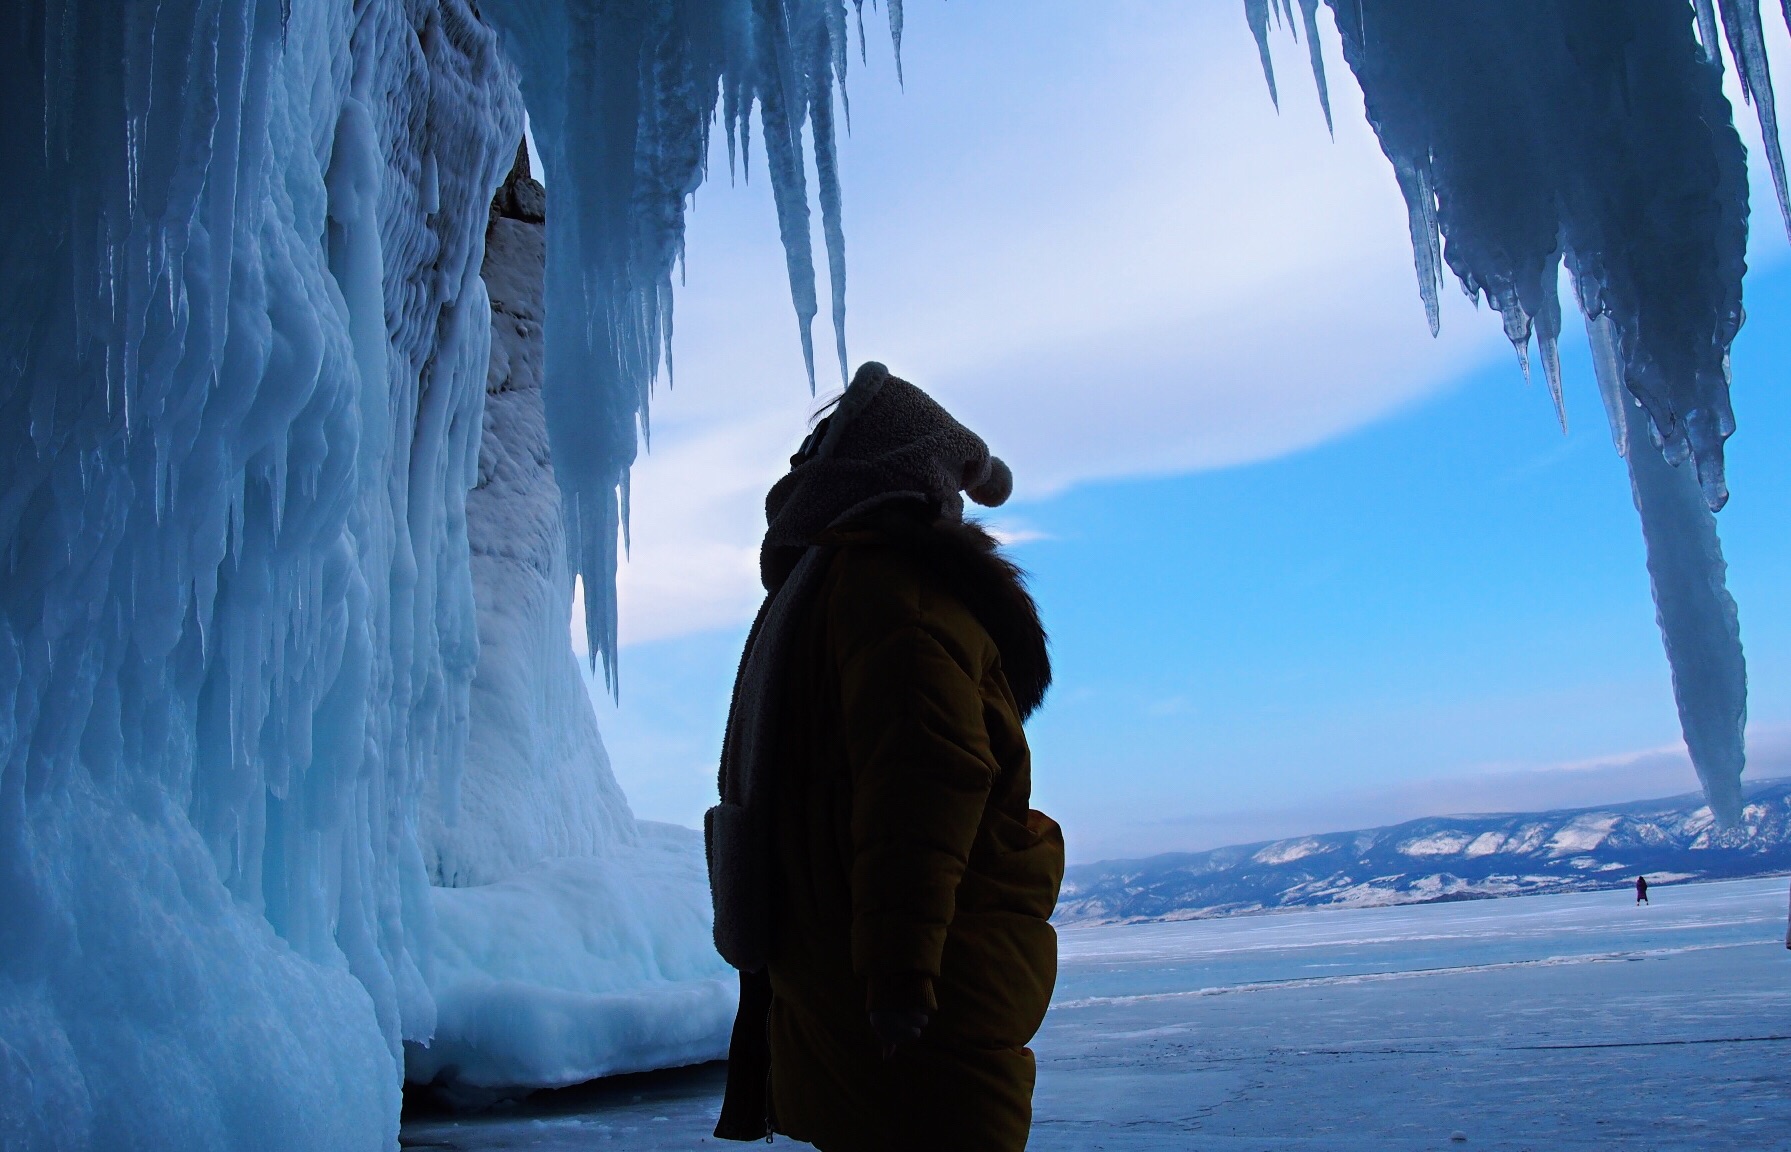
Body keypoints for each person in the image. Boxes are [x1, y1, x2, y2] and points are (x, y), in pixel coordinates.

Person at [707, 363, 1063, 1151]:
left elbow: (920, 783)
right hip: (875, 970)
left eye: (818, 449)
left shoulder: (887, 592)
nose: (800, 465)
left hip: (918, 989)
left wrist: (902, 977)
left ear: (868, 464)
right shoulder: (857, 585)